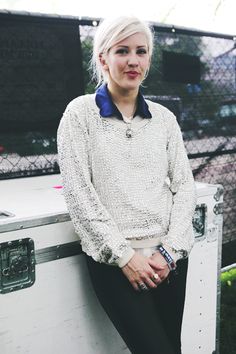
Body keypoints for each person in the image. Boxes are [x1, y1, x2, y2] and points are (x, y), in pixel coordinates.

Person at [57, 15, 197, 354]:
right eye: (122, 50)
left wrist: (170, 251)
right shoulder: (80, 114)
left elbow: (185, 187)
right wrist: (124, 257)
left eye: (141, 51)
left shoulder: (164, 118)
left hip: (168, 261)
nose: (133, 60)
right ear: (103, 58)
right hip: (116, 264)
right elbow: (79, 194)